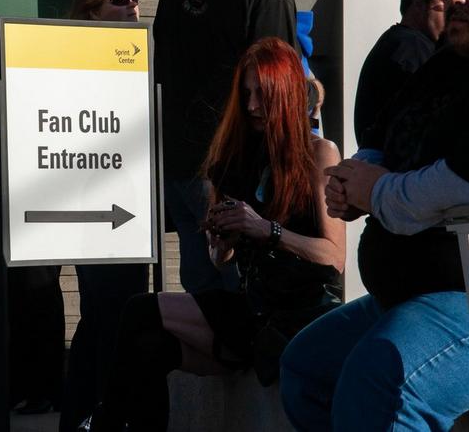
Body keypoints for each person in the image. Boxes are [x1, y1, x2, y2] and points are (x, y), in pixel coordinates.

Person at [280, 0, 469, 431]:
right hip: (414, 291)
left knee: (380, 384)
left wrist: (376, 191)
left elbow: (467, 182)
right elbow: (388, 132)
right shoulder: (448, 59)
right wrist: (351, 178)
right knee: (306, 369)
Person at [82, 38, 344, 432]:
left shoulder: (319, 153)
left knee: (141, 310)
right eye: (247, 94)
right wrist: (222, 242)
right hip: (252, 309)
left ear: (287, 93)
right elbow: (221, 260)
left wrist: (265, 229)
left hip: (299, 315)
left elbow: (333, 256)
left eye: (262, 94)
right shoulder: (239, 158)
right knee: (151, 346)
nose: (252, 105)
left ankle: (104, 423)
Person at [154, 0, 302, 293]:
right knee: (246, 298)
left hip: (179, 169)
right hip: (234, 172)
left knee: (203, 303)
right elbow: (278, 88)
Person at [59, 0, 151, 432]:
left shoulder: (136, 58)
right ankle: (104, 415)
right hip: (97, 205)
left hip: (130, 202)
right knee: (112, 314)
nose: (132, 6)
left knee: (103, 316)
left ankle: (85, 414)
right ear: (91, 12)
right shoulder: (78, 63)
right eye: (119, 0)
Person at [353, 0, 449, 143]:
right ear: (418, 4)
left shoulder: (398, 42)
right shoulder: (411, 47)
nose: (452, 16)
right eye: (443, 7)